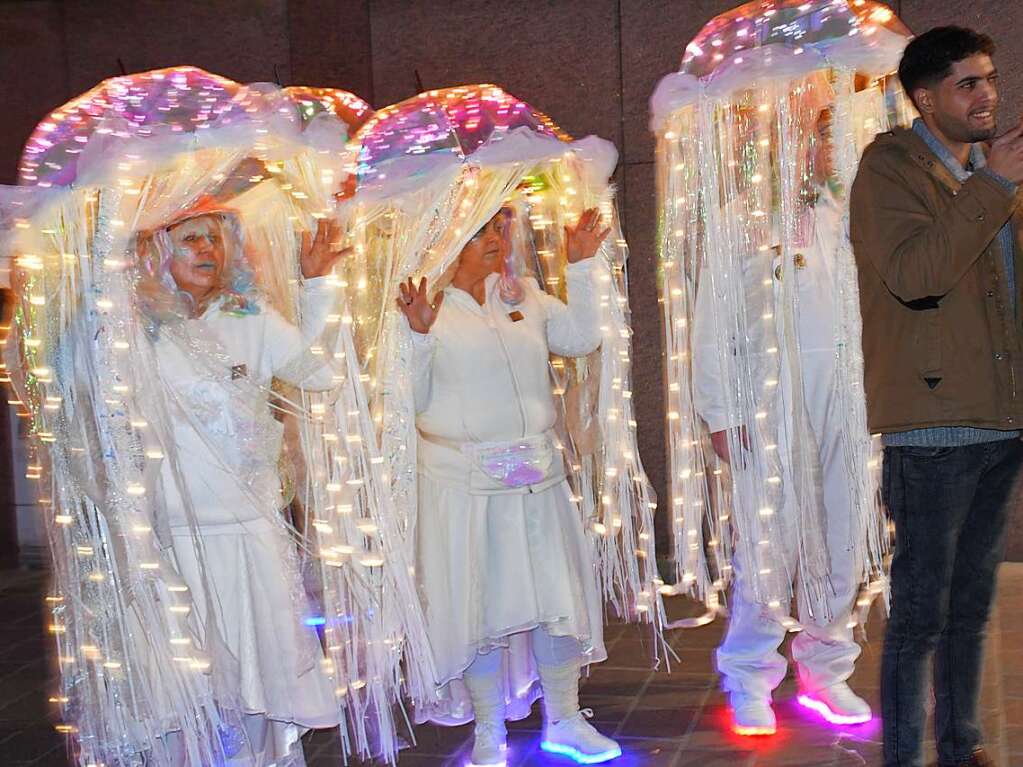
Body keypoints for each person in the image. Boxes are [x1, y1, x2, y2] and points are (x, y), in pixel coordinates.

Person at [850, 26, 1023, 767]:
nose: (986, 94)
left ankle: (961, 747)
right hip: (931, 427)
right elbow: (916, 272)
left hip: (998, 416)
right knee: (920, 613)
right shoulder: (889, 167)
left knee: (971, 606)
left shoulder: (988, 173)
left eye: (988, 79)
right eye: (967, 83)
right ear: (924, 98)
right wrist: (993, 186)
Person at [395, 207, 622, 766]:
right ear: (444, 238)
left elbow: (580, 338)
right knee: (479, 609)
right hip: (463, 484)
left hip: (537, 475)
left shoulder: (521, 296)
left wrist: (584, 266)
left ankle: (565, 720)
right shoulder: (419, 308)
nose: (495, 241)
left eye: (498, 228)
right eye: (478, 232)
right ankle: (490, 732)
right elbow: (410, 401)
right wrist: (418, 337)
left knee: (557, 597)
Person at [127, 202, 349, 765]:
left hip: (251, 528)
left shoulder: (250, 317)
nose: (208, 249)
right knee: (191, 680)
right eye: (191, 239)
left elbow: (320, 373)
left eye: (216, 239)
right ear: (155, 250)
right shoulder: (131, 326)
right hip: (176, 538)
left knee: (261, 673)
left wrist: (319, 284)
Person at [692, 110, 873, 734]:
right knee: (769, 542)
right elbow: (712, 321)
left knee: (843, 532)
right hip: (769, 398)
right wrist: (721, 410)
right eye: (817, 134)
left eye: (830, 133)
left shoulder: (846, 212)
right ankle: (749, 675)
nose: (829, 147)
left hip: (843, 396)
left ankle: (827, 672)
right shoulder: (739, 218)